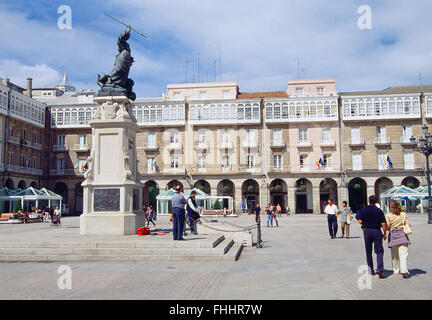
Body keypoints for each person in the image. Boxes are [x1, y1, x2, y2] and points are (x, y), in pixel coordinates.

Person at [356, 195, 388, 278]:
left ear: (369, 201)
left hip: (367, 231)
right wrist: (385, 233)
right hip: (377, 231)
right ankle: (380, 269)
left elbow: (360, 221)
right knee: (379, 251)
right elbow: (383, 224)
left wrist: (363, 225)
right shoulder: (379, 211)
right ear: (376, 201)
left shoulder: (364, 210)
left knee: (368, 251)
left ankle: (370, 270)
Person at [386, 201, 411, 279]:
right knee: (403, 254)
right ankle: (404, 271)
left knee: (394, 254)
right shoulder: (403, 214)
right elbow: (408, 224)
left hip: (393, 235)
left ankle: (396, 269)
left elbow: (387, 226)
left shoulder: (388, 215)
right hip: (402, 235)